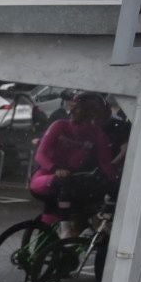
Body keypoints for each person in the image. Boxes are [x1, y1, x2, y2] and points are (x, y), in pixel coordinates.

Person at [30, 91, 119, 237]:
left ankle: (72, 242)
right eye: (80, 109)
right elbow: (41, 154)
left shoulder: (97, 134)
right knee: (65, 183)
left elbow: (106, 163)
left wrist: (116, 182)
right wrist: (56, 168)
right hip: (45, 176)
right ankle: (65, 230)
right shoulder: (59, 126)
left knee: (89, 201)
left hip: (72, 179)